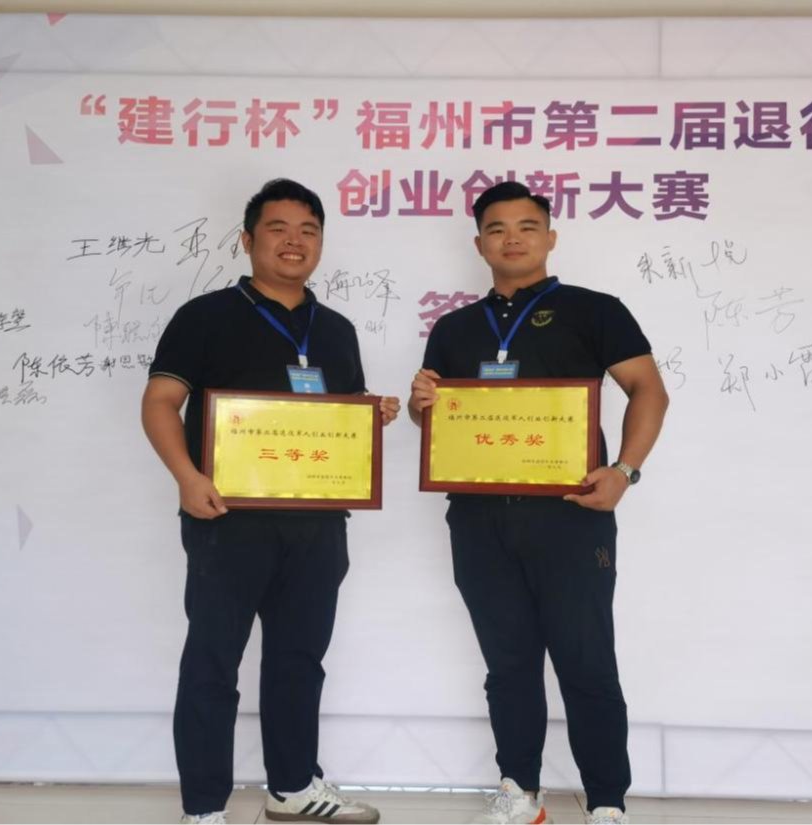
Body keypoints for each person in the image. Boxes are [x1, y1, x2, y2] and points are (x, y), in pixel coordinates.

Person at [408, 181, 668, 825]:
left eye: (527, 226)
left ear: (550, 237)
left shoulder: (595, 310)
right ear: (479, 244)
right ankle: (519, 791)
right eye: (497, 229)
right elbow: (439, 422)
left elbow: (649, 391)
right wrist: (419, 407)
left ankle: (606, 801)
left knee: (586, 661)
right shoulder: (454, 328)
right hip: (478, 518)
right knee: (508, 663)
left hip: (572, 515)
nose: (512, 239)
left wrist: (624, 471)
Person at [142, 178, 398, 825]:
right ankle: (204, 807)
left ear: (321, 243)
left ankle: (292, 787)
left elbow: (340, 419)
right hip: (226, 519)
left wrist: (371, 417)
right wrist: (186, 477)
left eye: (308, 230)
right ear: (247, 239)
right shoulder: (204, 316)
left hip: (317, 524)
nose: (294, 241)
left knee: (299, 661)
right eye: (278, 228)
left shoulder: (335, 329)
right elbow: (160, 402)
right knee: (213, 662)